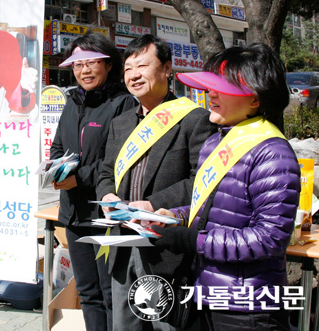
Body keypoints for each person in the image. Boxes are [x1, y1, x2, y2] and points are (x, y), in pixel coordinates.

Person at [150, 43, 301, 330]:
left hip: (248, 306)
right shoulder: (215, 142)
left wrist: (193, 240)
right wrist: (173, 216)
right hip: (206, 293)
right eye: (211, 85)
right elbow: (210, 206)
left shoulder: (272, 153)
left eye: (222, 86)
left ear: (255, 99)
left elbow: (269, 238)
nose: (211, 93)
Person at [96, 34, 217, 331]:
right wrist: (108, 196)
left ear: (167, 69)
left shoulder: (194, 119)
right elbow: (105, 172)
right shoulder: (120, 123)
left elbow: (201, 181)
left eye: (143, 65)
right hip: (123, 245)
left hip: (168, 249)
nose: (134, 75)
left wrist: (153, 204)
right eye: (128, 69)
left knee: (167, 325)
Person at [50, 31, 137, 331]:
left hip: (104, 217)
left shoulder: (123, 104)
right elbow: (58, 148)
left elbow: (120, 161)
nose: (84, 70)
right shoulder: (72, 101)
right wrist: (56, 171)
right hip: (73, 215)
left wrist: (80, 178)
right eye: (77, 64)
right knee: (87, 293)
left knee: (111, 293)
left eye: (91, 62)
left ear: (109, 64)